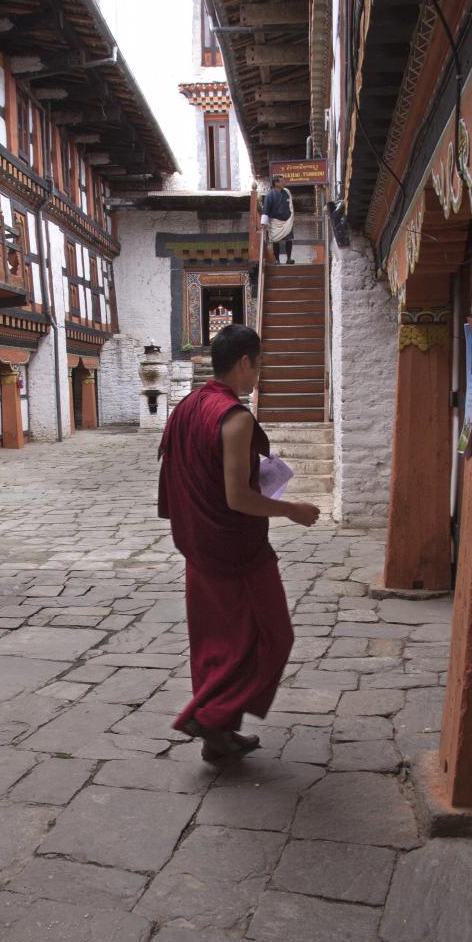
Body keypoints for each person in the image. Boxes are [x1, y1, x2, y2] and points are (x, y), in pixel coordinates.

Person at [158, 324, 320, 762]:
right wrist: (294, 510)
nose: (259, 374)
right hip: (237, 552)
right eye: (259, 364)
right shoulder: (235, 417)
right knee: (273, 637)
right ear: (245, 362)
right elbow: (239, 497)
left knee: (216, 642)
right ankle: (211, 716)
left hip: (199, 544)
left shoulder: (188, 406)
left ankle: (219, 738)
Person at [261, 174, 295, 264]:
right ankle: (277, 259)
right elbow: (266, 209)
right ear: (276, 183)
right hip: (275, 222)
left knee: (289, 239)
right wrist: (263, 223)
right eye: (282, 181)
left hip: (287, 221)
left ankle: (289, 258)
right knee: (275, 241)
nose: (284, 182)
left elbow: (290, 205)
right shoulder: (270, 195)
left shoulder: (286, 192)